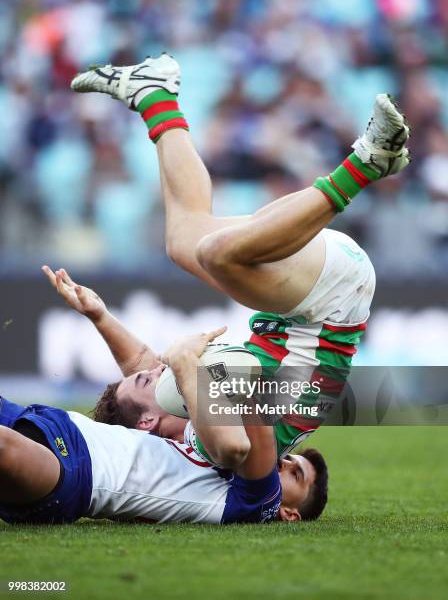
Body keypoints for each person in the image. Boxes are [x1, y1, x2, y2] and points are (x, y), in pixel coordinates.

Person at [65, 53, 410, 457]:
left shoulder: (179, 412)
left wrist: (100, 317)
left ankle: (152, 92)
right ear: (147, 423)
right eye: (144, 382)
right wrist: (187, 364)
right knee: (214, 253)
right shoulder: (204, 443)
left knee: (182, 240)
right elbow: (233, 448)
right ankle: (367, 163)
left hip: (306, 294)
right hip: (327, 306)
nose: (156, 368)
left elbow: (144, 363)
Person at [0, 328, 327, 525]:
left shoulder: (257, 502)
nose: (283, 461)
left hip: (72, 473)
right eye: (289, 459)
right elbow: (153, 381)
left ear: (288, 513)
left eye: (295, 473)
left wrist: (194, 360)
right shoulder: (205, 455)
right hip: (51, 423)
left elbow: (248, 430)